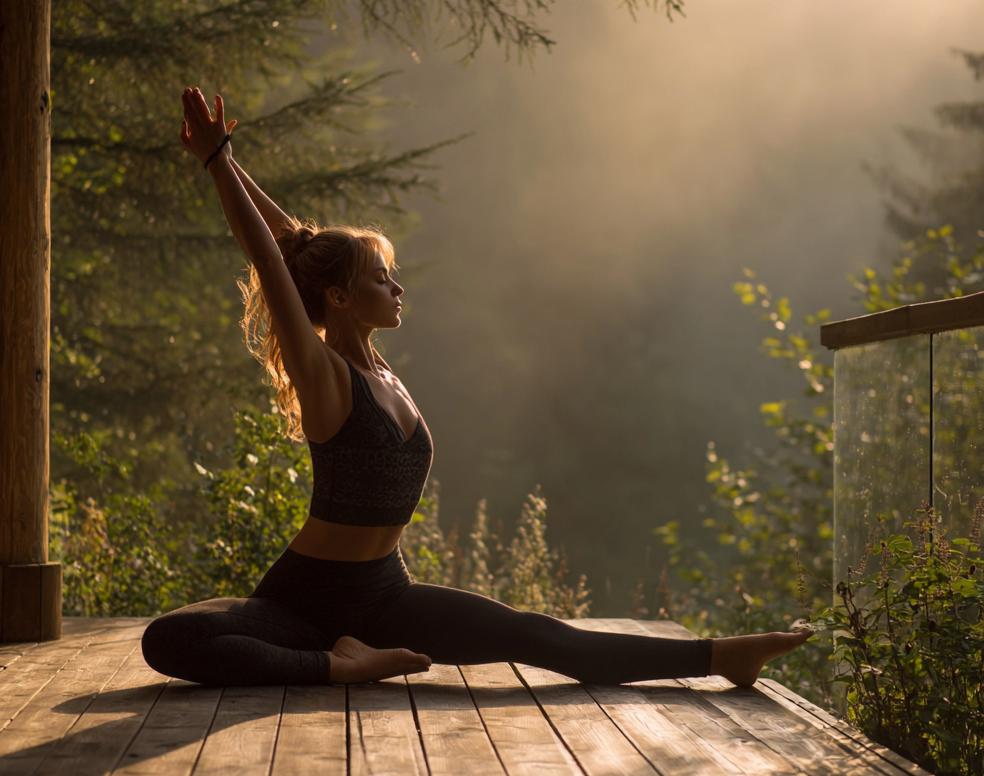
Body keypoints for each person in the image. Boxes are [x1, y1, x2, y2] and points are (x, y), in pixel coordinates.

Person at [141, 87, 812, 688]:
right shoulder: (324, 375)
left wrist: (228, 155)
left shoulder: (383, 374)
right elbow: (271, 258)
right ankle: (335, 665)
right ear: (341, 298)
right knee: (169, 639)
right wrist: (215, 162)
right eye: (381, 278)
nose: (398, 287)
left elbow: (297, 245)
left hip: (383, 594)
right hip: (304, 602)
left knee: (537, 635)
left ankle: (721, 657)